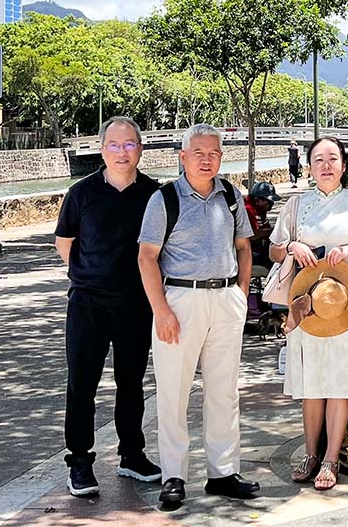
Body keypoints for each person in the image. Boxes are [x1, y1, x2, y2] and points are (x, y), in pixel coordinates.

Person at [137, 124, 259, 506]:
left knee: (224, 390)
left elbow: (243, 247)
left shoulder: (231, 197)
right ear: (183, 156)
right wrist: (161, 310)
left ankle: (223, 472)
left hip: (224, 299)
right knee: (173, 392)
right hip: (179, 301)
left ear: (222, 158)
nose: (207, 160)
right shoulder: (164, 199)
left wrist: (240, 295)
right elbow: (146, 257)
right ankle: (174, 475)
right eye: (199, 153)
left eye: (214, 153)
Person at [268, 136, 348, 491]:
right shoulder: (296, 205)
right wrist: (292, 245)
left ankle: (332, 457)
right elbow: (273, 251)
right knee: (312, 380)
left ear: (344, 165)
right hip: (307, 302)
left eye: (332, 158)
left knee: (341, 379)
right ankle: (310, 452)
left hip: (346, 301)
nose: (326, 165)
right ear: (309, 166)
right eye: (319, 159)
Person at [54, 116, 162, 497]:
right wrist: (87, 275)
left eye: (129, 144)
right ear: (102, 149)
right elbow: (64, 242)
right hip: (87, 305)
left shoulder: (154, 194)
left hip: (136, 305)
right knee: (81, 384)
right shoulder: (81, 193)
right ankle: (80, 462)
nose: (122, 151)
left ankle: (132, 455)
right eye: (114, 144)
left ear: (140, 149)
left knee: (130, 384)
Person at [245, 181, 278, 270]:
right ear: (257, 200)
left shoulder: (260, 210)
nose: (272, 205)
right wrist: (273, 230)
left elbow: (266, 230)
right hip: (248, 253)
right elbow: (252, 235)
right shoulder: (247, 210)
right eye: (269, 202)